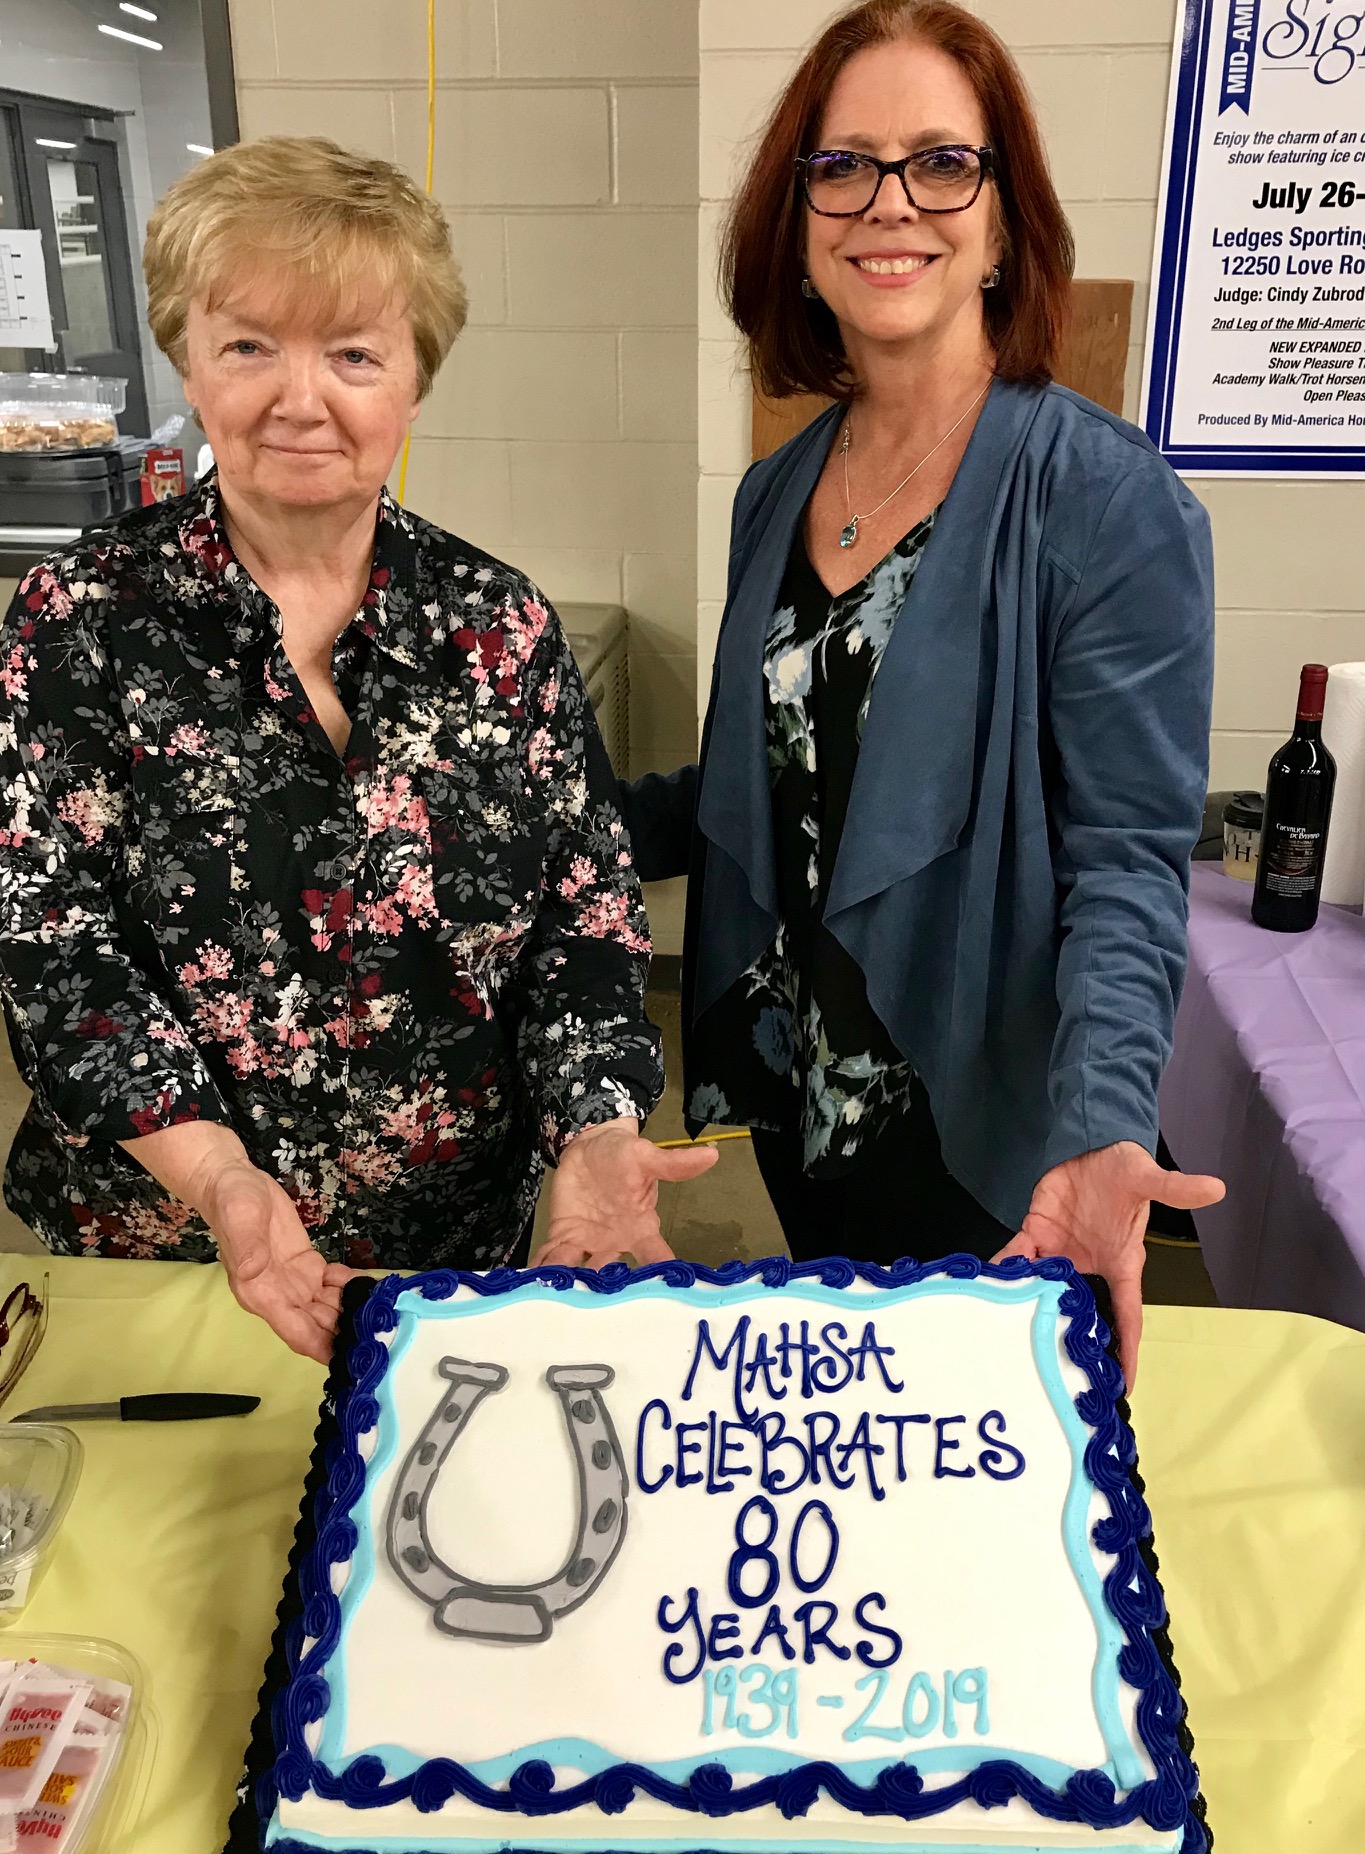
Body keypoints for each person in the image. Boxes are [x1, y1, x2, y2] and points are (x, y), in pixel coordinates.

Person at [0, 136, 714, 1362]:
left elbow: (584, 924)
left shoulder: (502, 626)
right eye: (249, 345)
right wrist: (223, 1181)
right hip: (167, 1253)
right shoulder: (77, 623)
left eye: (352, 353)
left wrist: (594, 1129)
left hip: (455, 1264)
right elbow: (56, 950)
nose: (300, 397)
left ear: (413, 382)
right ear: (187, 355)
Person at [622, 0, 1223, 1386]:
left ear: (1005, 223)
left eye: (940, 162)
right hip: (796, 1100)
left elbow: (1126, 861)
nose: (889, 204)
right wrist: (504, 807)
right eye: (842, 166)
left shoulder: (1106, 503)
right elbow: (757, 782)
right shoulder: (777, 490)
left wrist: (1103, 1119)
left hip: (978, 1129)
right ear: (798, 219)